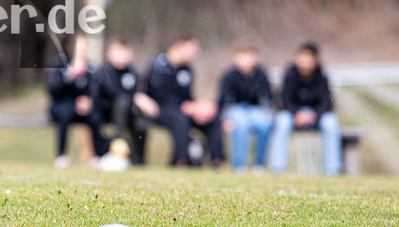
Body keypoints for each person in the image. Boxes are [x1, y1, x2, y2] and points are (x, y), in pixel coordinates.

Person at [146, 33, 224, 167]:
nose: (196, 54)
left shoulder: (187, 69)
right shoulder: (159, 64)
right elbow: (161, 96)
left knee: (211, 118)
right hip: (159, 109)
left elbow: (187, 96)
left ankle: (217, 160)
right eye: (193, 50)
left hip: (182, 108)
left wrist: (198, 107)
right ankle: (182, 160)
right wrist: (187, 107)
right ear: (179, 46)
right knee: (179, 120)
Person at [268, 42, 342, 176]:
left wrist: (314, 115)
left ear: (315, 61)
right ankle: (278, 168)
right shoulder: (289, 75)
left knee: (331, 122)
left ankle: (333, 169)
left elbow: (327, 103)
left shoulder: (322, 78)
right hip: (293, 115)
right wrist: (296, 114)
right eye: (302, 60)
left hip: (316, 116)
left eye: (308, 60)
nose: (304, 64)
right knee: (282, 120)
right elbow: (284, 100)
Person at [92, 37, 159, 165]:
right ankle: (118, 147)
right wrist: (136, 96)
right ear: (109, 53)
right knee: (121, 102)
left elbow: (141, 92)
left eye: (125, 52)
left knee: (141, 124)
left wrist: (144, 99)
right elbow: (111, 92)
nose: (122, 56)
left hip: (130, 113)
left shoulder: (135, 72)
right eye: (118, 52)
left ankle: (138, 160)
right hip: (105, 112)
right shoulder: (103, 72)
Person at [47, 34, 108, 168]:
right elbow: (52, 90)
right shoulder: (59, 64)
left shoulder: (91, 68)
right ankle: (61, 156)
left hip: (83, 109)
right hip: (62, 105)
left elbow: (97, 90)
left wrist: (89, 101)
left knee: (96, 117)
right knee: (65, 114)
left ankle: (98, 157)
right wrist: (69, 76)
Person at [217, 41, 274, 171]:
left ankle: (259, 164)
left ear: (256, 58)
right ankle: (239, 165)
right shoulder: (229, 76)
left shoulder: (262, 75)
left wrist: (270, 116)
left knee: (265, 123)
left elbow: (267, 99)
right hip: (236, 110)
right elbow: (223, 101)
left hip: (256, 110)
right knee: (240, 124)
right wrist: (224, 120)